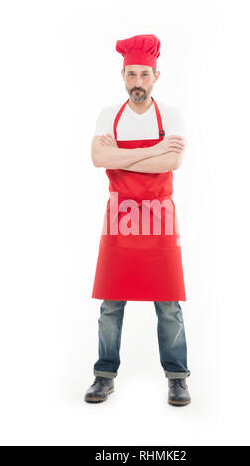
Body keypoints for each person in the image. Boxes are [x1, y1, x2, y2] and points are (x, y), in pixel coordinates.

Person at [84, 34, 191, 406]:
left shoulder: (172, 115)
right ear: (123, 75)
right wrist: (155, 149)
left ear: (156, 76)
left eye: (144, 75)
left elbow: (171, 163)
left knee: (169, 303)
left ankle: (177, 376)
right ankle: (104, 374)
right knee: (111, 304)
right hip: (120, 217)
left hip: (159, 217)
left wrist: (123, 157)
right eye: (131, 75)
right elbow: (98, 159)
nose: (138, 82)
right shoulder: (107, 115)